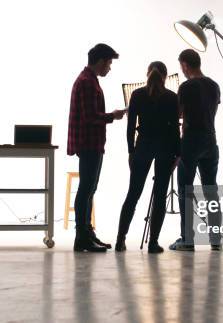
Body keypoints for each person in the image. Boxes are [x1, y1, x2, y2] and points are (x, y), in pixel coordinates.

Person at [115, 61, 180, 253]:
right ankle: (153, 242)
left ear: (147, 74)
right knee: (160, 196)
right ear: (165, 76)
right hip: (165, 148)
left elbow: (130, 127)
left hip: (142, 147)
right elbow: (175, 128)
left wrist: (130, 151)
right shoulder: (171, 97)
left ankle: (120, 240)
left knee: (133, 194)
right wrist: (178, 153)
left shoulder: (137, 95)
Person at [67, 43, 126, 252]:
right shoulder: (87, 83)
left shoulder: (89, 80)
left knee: (89, 189)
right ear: (100, 61)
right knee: (86, 190)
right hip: (89, 143)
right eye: (109, 63)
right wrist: (113, 116)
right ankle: (81, 236)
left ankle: (86, 232)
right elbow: (89, 117)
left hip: (91, 143)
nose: (109, 68)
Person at [169, 49, 223, 251]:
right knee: (211, 190)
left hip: (191, 140)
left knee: (185, 190)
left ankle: (187, 239)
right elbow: (211, 111)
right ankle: (215, 239)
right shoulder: (214, 86)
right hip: (211, 139)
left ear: (184, 65)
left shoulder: (186, 86)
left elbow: (177, 114)